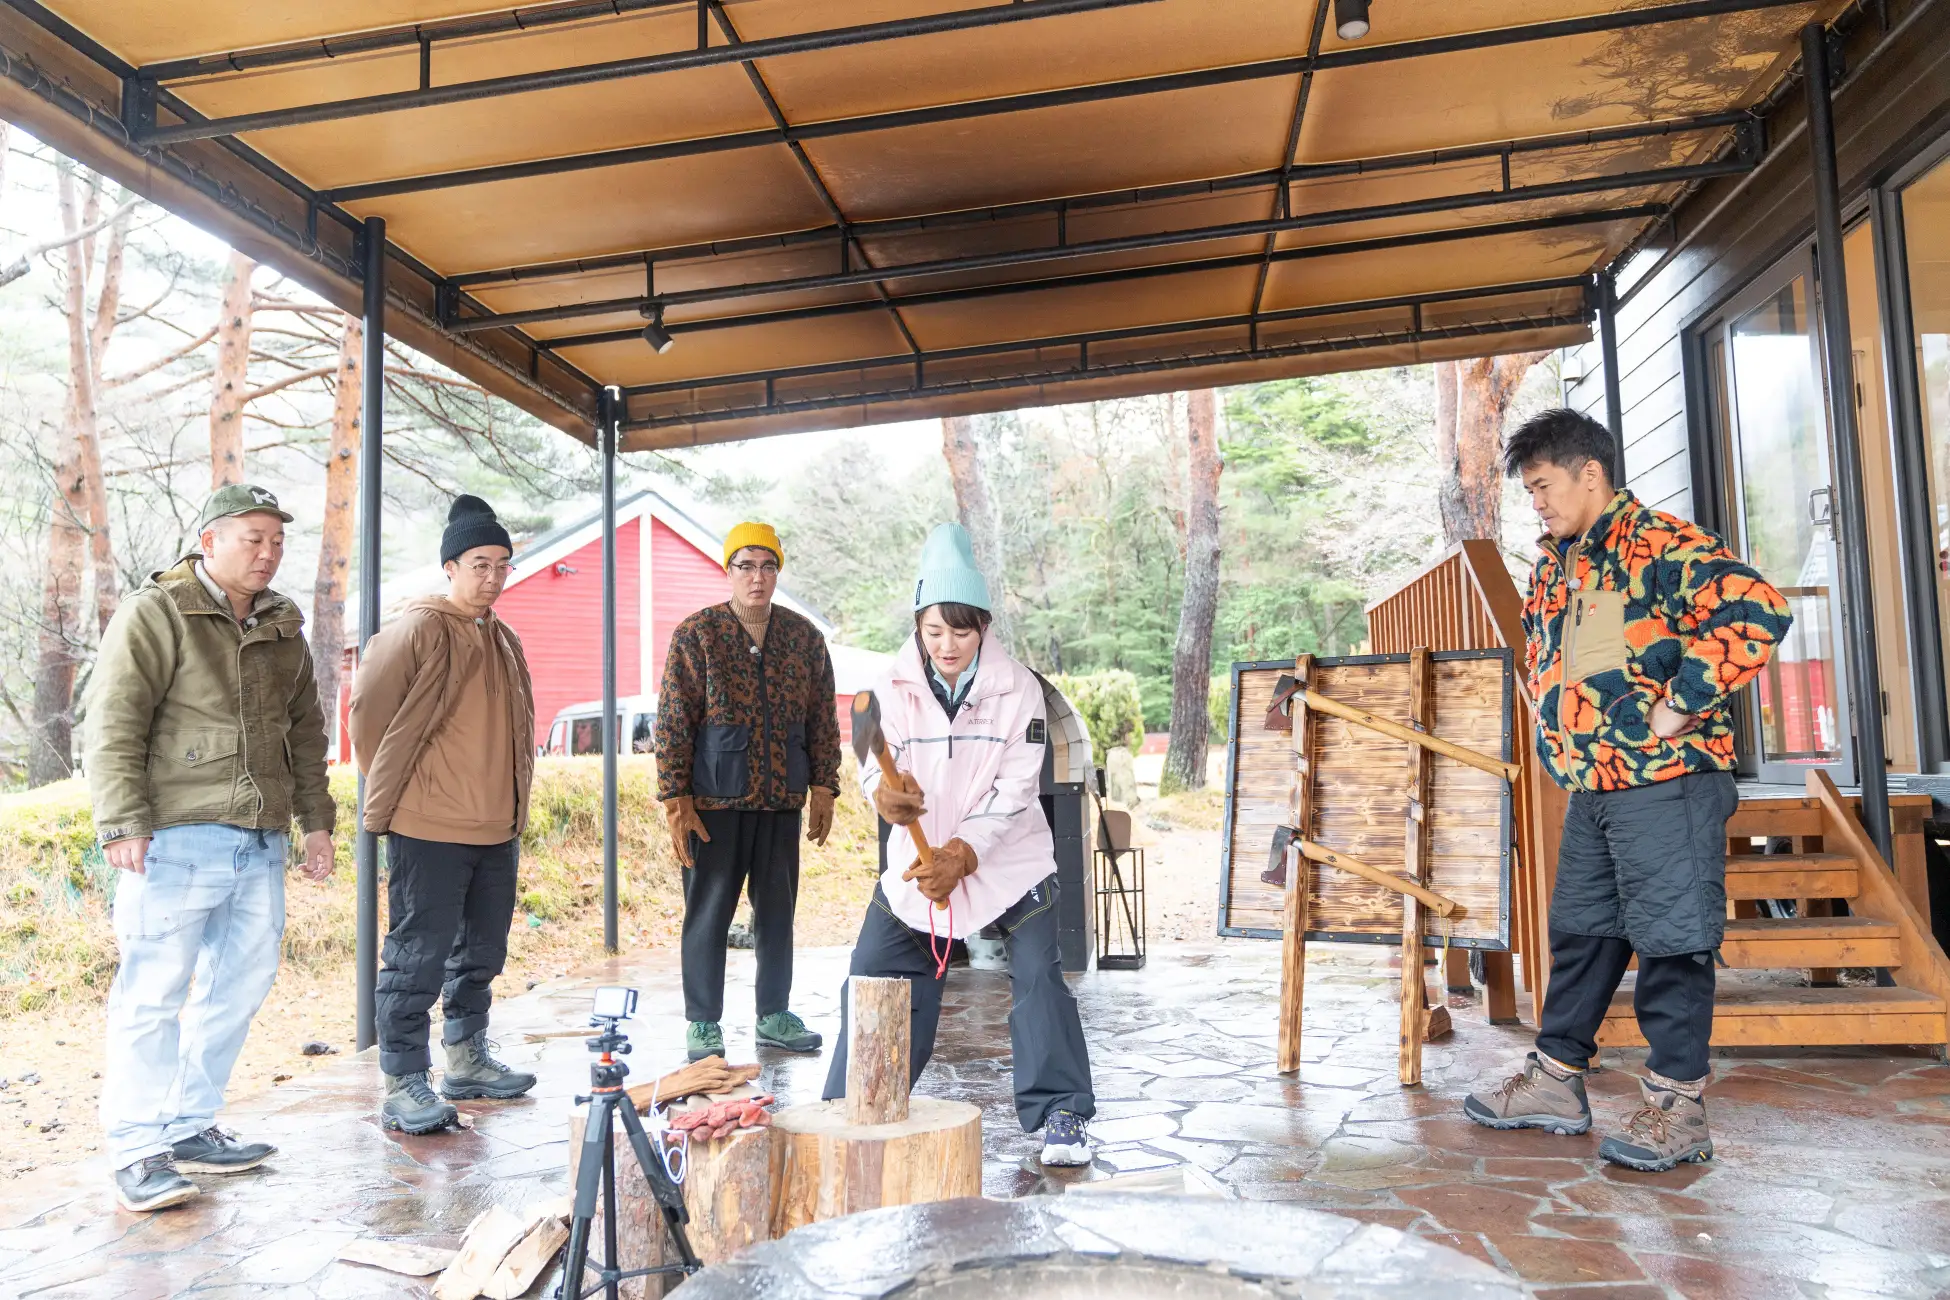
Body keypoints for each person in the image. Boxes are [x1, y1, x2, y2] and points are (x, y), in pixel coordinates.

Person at [1463, 409, 1791, 1172]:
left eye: (1543, 485)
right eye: (1529, 490)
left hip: (1666, 781)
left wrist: (1682, 703)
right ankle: (1555, 1081)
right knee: (1583, 935)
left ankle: (1678, 1111)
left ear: (1590, 474)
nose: (1536, 502)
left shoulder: (1661, 544)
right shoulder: (1561, 564)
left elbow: (1758, 609)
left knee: (1673, 941)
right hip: (1596, 784)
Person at [86, 484, 338, 1213]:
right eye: (253, 538)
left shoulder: (282, 626)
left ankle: (189, 1125)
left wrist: (315, 821)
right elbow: (114, 720)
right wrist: (122, 821)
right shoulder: (158, 611)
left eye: (277, 541)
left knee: (238, 986)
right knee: (153, 993)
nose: (268, 553)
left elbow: (306, 732)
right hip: (174, 834)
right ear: (209, 541)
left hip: (259, 838)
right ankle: (136, 1149)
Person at [821, 523, 1096, 1167]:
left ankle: (1062, 1112)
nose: (947, 646)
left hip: (1010, 864)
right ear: (918, 624)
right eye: (934, 631)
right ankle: (848, 1108)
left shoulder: (1019, 689)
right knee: (873, 976)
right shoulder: (884, 689)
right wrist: (885, 797)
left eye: (962, 632)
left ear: (984, 627)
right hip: (917, 867)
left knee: (1039, 977)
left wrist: (963, 854)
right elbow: (871, 761)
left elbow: (1016, 788)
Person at [349, 495, 538, 1135]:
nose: (493, 576)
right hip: (427, 825)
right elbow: (368, 716)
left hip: (496, 825)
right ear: (451, 567)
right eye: (480, 564)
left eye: (503, 565)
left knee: (481, 953)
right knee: (416, 957)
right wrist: (405, 789)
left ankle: (466, 1059)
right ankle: (405, 1080)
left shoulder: (504, 638)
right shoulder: (417, 630)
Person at [656, 522, 840, 1062]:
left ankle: (774, 1014)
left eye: (767, 566)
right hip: (713, 804)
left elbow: (822, 718)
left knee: (778, 913)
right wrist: (676, 799)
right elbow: (673, 720)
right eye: (746, 566)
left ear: (777, 572)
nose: (757, 577)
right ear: (728, 570)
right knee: (708, 913)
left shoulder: (804, 638)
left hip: (781, 801)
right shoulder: (698, 634)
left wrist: (824, 785)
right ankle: (702, 1022)